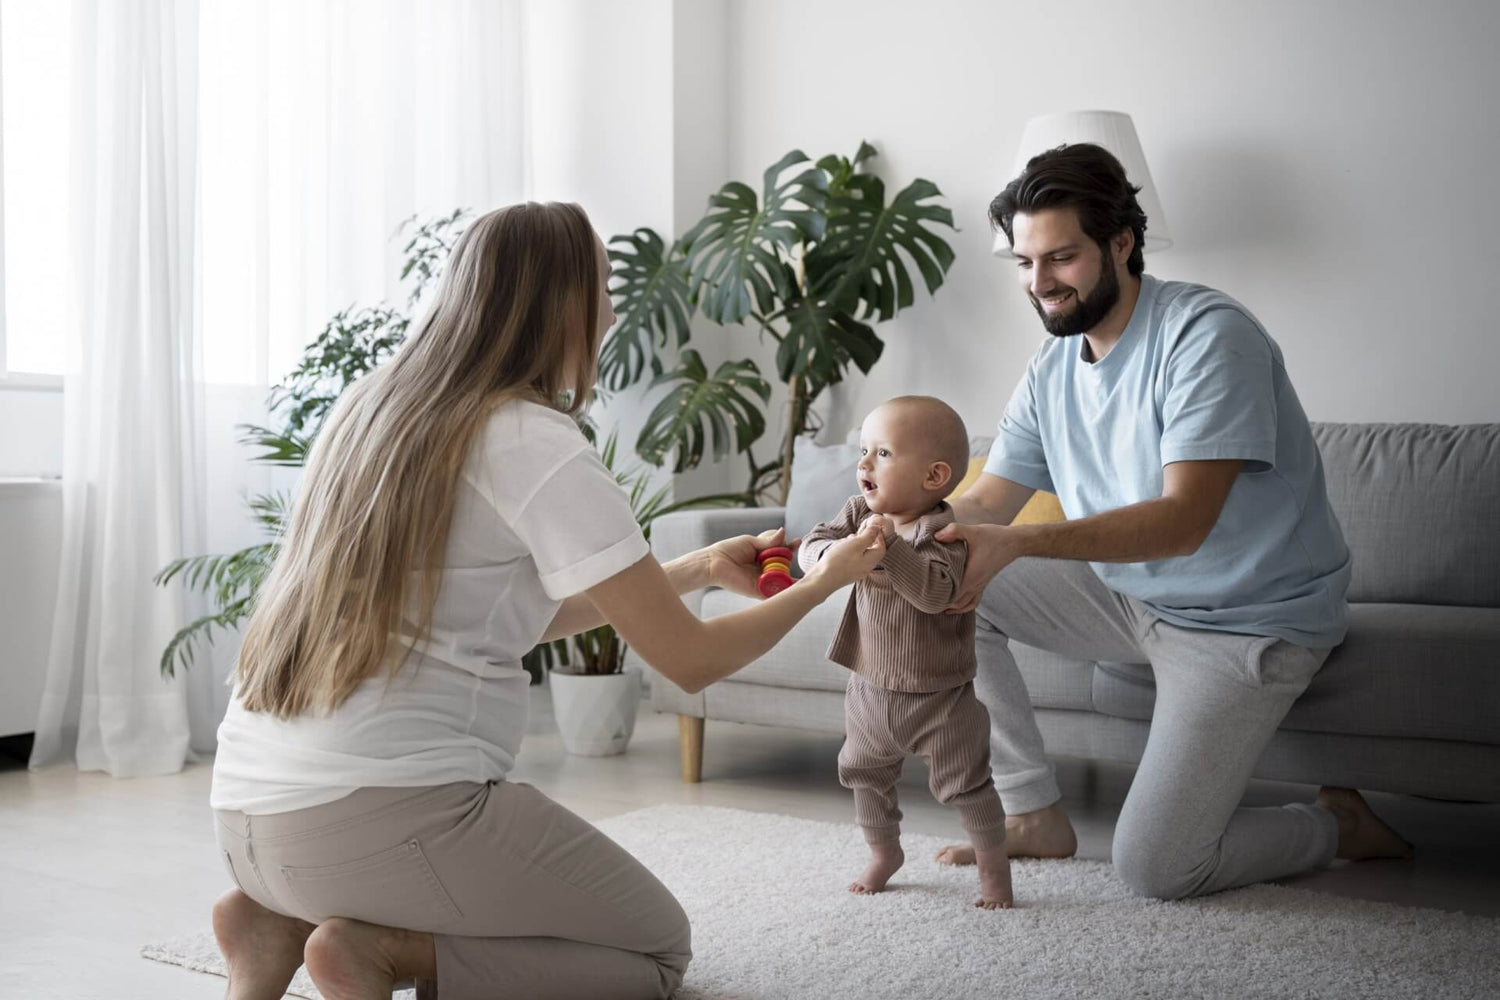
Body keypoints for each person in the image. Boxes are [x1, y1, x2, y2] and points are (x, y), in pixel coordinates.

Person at [208, 201, 887, 1000]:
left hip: (248, 819)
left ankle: (273, 924)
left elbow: (506, 619)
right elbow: (693, 662)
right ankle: (375, 951)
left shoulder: (372, 411)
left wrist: (698, 567)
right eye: (601, 283)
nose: (610, 307)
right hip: (384, 823)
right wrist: (824, 581)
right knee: (657, 954)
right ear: (560, 301)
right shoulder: (527, 437)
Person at [930, 143, 1412, 900]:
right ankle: (1032, 814)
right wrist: (891, 525)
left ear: (1121, 242)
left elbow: (1183, 522)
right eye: (1025, 263)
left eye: (1061, 258)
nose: (1040, 283)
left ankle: (1338, 828)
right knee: (942, 575)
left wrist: (1017, 542)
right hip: (1134, 601)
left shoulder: (1206, 335)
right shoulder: (1051, 369)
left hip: (1248, 623)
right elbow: (989, 501)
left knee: (1158, 867)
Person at [799, 396, 1013, 909]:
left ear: (934, 476)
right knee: (863, 772)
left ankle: (994, 871)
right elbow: (810, 548)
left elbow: (936, 593)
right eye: (864, 450)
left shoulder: (947, 534)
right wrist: (834, 555)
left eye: (884, 453)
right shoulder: (856, 514)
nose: (864, 464)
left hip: (940, 698)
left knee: (967, 785)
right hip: (870, 685)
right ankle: (884, 853)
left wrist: (889, 549)